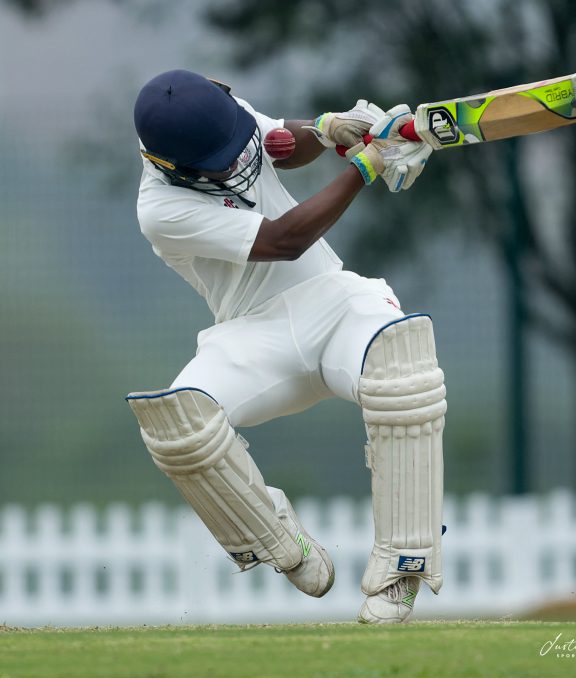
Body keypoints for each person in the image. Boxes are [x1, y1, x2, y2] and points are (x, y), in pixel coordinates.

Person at [126, 69, 446, 624]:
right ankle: (278, 540)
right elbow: (285, 240)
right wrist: (367, 165)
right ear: (172, 167)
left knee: (402, 361)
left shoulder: (216, 116)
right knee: (176, 426)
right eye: (221, 162)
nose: (236, 160)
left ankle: (403, 566)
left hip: (335, 302)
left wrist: (328, 129)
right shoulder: (160, 210)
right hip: (252, 337)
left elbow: (278, 144)